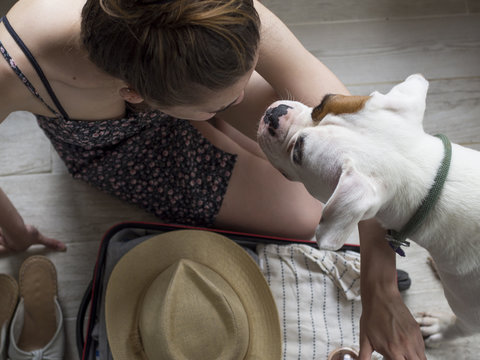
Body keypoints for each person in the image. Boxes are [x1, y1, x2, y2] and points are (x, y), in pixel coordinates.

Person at [0, 0, 426, 358]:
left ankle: (214, 122)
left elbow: (352, 132)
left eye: (246, 81)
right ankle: (214, 127)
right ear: (133, 94)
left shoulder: (212, 9)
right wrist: (15, 230)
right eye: (227, 102)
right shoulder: (14, 68)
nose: (245, 99)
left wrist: (378, 280)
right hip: (117, 147)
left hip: (186, 87)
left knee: (324, 178)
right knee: (306, 218)